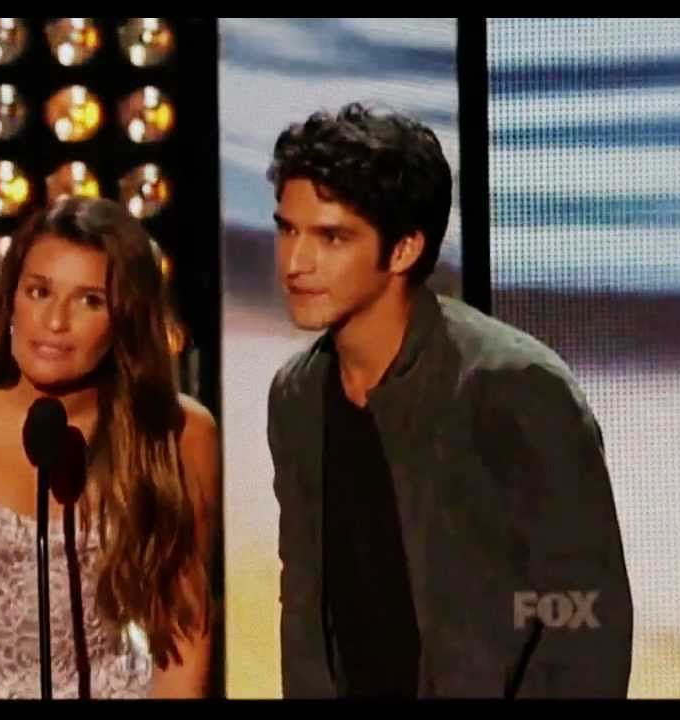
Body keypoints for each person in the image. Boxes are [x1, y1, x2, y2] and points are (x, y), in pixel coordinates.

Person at [264, 102, 633, 698]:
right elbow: (305, 600)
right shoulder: (297, 395)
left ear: (405, 249)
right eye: (287, 229)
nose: (295, 262)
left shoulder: (515, 389)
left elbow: (585, 615)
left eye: (332, 237)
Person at [0, 196, 220, 699]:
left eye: (90, 300)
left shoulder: (176, 434)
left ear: (124, 319)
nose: (55, 321)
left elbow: (184, 629)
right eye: (39, 291)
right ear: (10, 299)